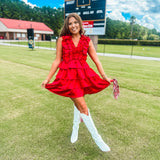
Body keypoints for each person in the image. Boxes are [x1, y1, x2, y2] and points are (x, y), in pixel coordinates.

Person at [41, 13, 112, 152]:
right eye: (70, 23)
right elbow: (57, 60)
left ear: (80, 24)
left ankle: (75, 128)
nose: (73, 25)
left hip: (83, 76)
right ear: (67, 26)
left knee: (78, 103)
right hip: (67, 77)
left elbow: (96, 60)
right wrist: (48, 79)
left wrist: (104, 76)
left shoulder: (87, 41)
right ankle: (98, 139)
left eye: (75, 22)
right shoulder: (62, 40)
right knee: (83, 106)